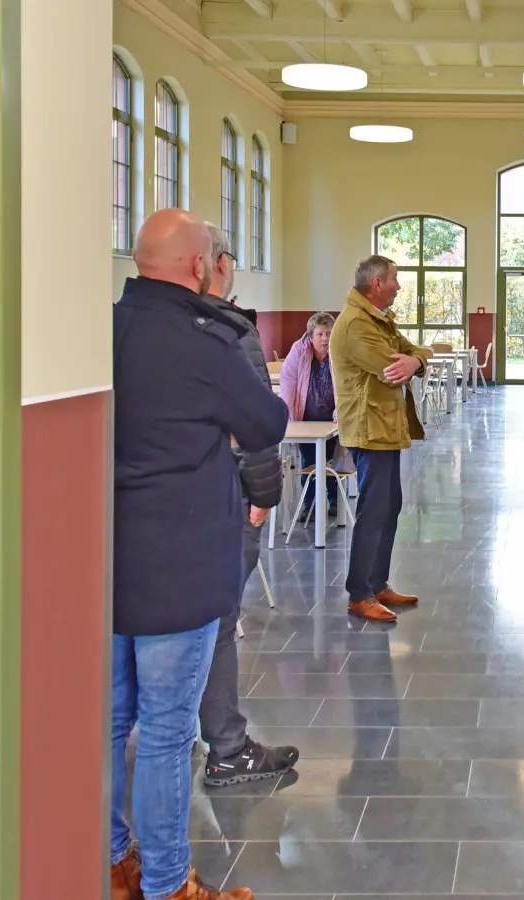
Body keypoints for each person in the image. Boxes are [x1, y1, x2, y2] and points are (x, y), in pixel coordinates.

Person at [110, 208, 289, 900]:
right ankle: (165, 884)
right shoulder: (205, 338)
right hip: (180, 561)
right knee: (165, 730)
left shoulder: (106, 326)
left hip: (107, 561)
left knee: (113, 721)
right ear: (197, 267)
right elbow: (267, 420)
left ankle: (115, 860)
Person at [194, 223, 300, 789]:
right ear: (213, 265)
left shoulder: (122, 325)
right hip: (223, 501)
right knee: (219, 620)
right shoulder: (231, 333)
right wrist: (263, 494)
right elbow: (261, 422)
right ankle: (226, 745)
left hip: (151, 511)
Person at [330, 255, 430, 622]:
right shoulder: (356, 324)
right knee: (373, 511)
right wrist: (410, 362)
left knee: (389, 508)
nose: (399, 286)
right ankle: (359, 593)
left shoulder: (378, 320)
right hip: (369, 430)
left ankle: (377, 582)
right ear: (376, 284)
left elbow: (414, 352)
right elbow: (392, 369)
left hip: (385, 428)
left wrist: (416, 361)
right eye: (395, 279)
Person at [279, 311, 342, 518]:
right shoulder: (299, 350)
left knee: (332, 460)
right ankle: (310, 504)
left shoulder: (339, 352)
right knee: (309, 461)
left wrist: (340, 412)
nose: (325, 339)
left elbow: (346, 385)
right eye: (320, 334)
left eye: (329, 334)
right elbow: (288, 382)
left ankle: (334, 500)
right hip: (306, 415)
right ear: (310, 335)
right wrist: (285, 416)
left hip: (333, 416)